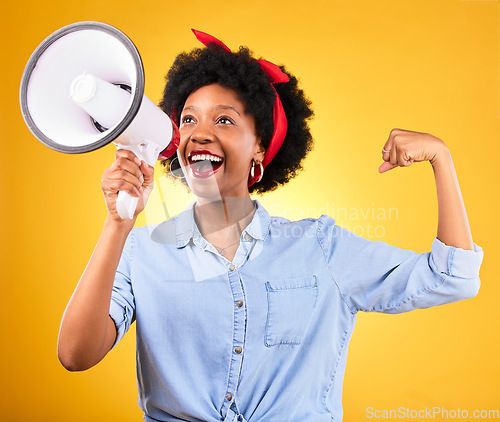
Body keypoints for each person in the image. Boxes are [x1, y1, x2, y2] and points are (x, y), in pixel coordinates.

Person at [57, 30, 484, 422]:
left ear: (260, 147)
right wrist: (118, 224)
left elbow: (453, 278)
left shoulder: (321, 247)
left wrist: (441, 159)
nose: (199, 133)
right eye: (188, 120)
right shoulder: (141, 250)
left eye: (223, 120)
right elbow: (75, 354)